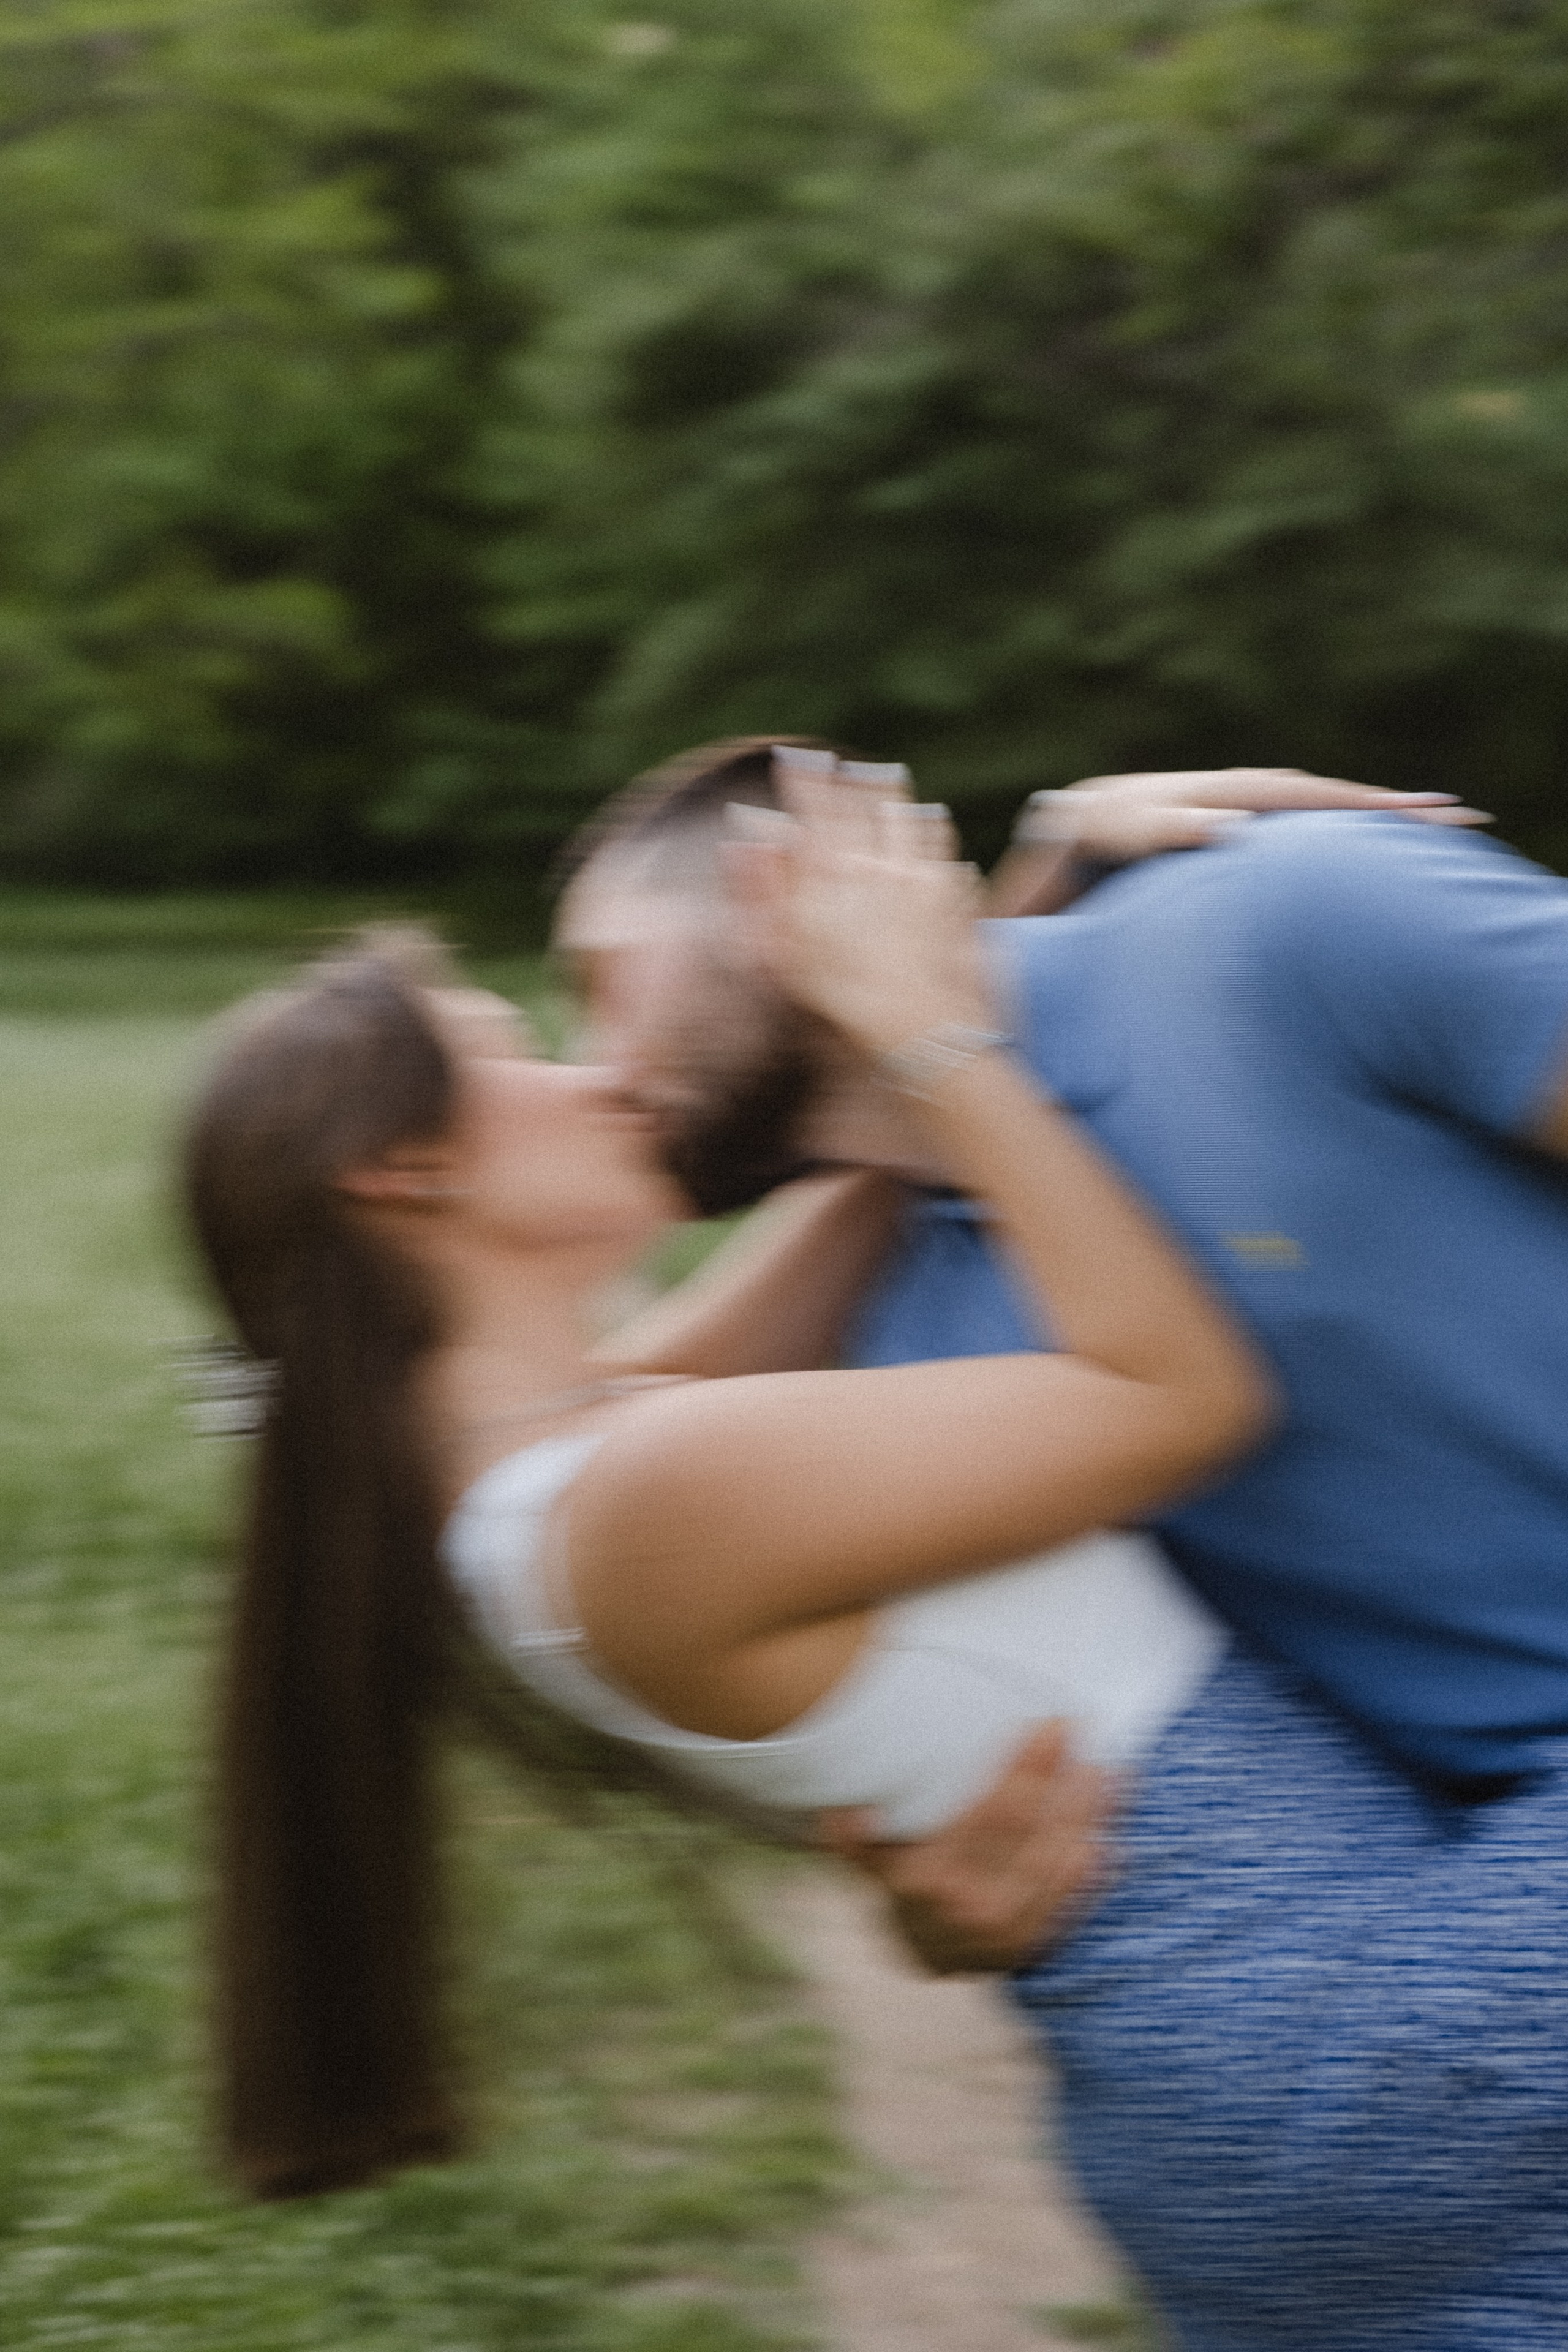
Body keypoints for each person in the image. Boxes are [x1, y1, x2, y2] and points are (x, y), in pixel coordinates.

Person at [554, 741, 1568, 2349]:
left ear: (785, 891)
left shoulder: (1294, 925)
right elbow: (553, 1452)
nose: (598, 1069)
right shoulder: (908, 1348)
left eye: (600, 981)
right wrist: (945, 1901)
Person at [185, 775, 1272, 2211]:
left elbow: (867, 1179)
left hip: (1268, 2048)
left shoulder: (563, 1460)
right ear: (401, 1168)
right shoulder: (641, 1494)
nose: (608, 1077)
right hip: (1359, 1990)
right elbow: (1181, 1394)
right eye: (524, 1048)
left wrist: (1020, 884)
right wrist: (930, 1031)